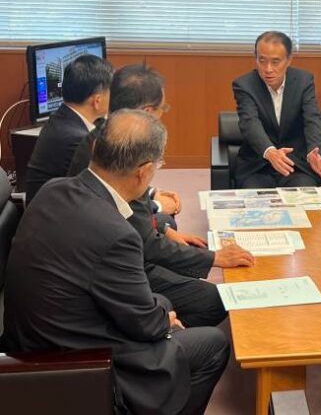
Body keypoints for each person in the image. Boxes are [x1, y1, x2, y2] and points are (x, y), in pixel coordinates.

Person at [4, 110, 231, 415]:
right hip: (77, 363)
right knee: (213, 344)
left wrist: (161, 312)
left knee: (166, 306)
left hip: (31, 340)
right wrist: (165, 317)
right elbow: (146, 324)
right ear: (144, 172)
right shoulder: (116, 234)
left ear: (96, 148)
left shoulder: (53, 189)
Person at [69, 63, 255, 328]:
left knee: (183, 248)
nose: (163, 115)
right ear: (147, 112)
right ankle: (175, 334)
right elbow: (143, 242)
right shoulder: (124, 152)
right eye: (162, 109)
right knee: (214, 301)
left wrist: (165, 229)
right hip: (118, 268)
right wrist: (215, 258)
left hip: (114, 252)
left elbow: (136, 214)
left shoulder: (101, 137)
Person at [233, 31, 321, 188]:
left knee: (304, 198)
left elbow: (313, 119)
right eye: (262, 61)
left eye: (275, 62)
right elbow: (249, 122)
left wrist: (315, 153)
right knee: (254, 199)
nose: (268, 69)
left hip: (296, 166)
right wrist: (270, 152)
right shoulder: (244, 85)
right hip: (258, 166)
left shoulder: (304, 81)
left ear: (289, 60)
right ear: (255, 58)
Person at [25, 54, 113, 202]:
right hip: (54, 212)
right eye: (110, 92)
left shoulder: (60, 117)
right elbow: (101, 191)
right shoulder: (77, 140)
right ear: (97, 101)